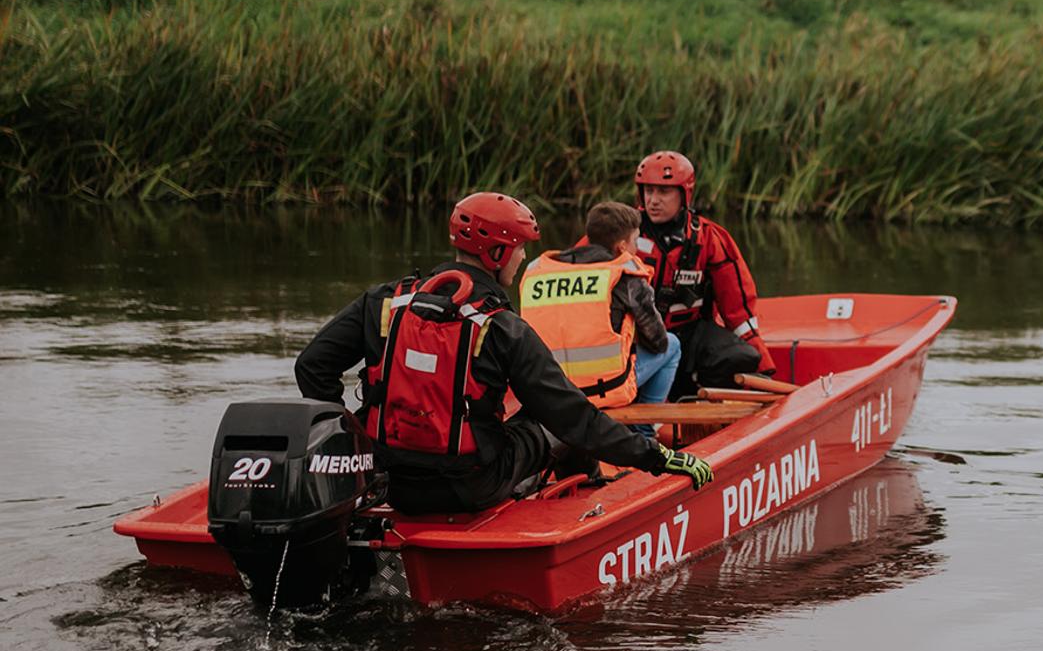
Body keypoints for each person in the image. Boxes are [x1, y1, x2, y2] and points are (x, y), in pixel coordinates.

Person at [294, 192, 713, 515]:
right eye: (519, 248)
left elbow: (311, 367)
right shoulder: (503, 326)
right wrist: (659, 458)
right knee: (552, 421)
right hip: (472, 487)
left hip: (390, 482)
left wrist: (354, 451)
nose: (524, 257)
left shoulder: (384, 302)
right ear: (496, 254)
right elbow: (576, 420)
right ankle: (581, 503)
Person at [519, 201, 680, 440]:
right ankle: (643, 431)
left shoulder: (538, 273)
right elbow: (658, 342)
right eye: (636, 241)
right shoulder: (624, 276)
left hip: (548, 391)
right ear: (622, 246)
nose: (637, 248)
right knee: (673, 344)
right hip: (602, 390)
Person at [630, 151, 777, 399]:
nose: (653, 200)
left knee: (740, 357)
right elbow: (581, 264)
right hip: (634, 337)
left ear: (684, 194)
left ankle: (709, 417)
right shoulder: (621, 231)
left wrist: (763, 366)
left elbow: (738, 309)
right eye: (648, 191)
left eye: (663, 192)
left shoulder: (709, 238)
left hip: (688, 335)